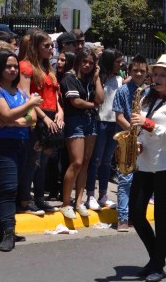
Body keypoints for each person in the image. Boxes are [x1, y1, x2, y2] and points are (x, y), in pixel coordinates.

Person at [128, 56, 166, 282]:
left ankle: (157, 263)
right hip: (145, 164)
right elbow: (145, 131)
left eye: (163, 75)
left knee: (161, 217)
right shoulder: (146, 98)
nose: (157, 78)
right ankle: (156, 259)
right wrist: (138, 140)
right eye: (155, 74)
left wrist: (148, 125)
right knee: (135, 212)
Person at [0, 48, 44, 251]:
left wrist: (15, 122)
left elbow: (32, 119)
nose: (13, 70)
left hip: (19, 144)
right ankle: (9, 232)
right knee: (8, 187)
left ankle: (0, 230)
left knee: (7, 187)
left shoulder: (21, 92)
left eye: (15, 66)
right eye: (8, 66)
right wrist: (30, 105)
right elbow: (6, 114)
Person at [59, 47, 104, 220]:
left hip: (90, 122)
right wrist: (92, 105)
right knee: (76, 162)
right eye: (84, 62)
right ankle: (65, 203)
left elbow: (100, 98)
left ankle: (78, 201)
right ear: (78, 61)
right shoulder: (70, 78)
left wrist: (97, 76)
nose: (87, 65)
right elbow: (75, 101)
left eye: (91, 63)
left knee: (86, 162)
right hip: (75, 121)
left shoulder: (90, 79)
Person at [23, 31, 63, 214]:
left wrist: (60, 111)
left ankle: (39, 198)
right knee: (33, 161)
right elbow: (26, 96)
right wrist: (44, 117)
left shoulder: (49, 68)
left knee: (44, 161)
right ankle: (25, 199)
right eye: (46, 45)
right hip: (37, 116)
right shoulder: (26, 66)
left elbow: (54, 93)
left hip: (52, 115)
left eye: (51, 45)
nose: (50, 49)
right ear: (36, 47)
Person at [85, 48, 125, 211]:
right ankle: (90, 195)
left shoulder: (119, 79)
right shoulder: (98, 78)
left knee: (107, 161)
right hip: (99, 121)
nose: (120, 64)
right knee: (96, 160)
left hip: (113, 123)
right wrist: (97, 77)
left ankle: (103, 194)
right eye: (117, 61)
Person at [112, 56, 148, 232]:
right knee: (125, 180)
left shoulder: (151, 93)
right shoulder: (122, 91)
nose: (139, 73)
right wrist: (133, 135)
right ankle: (123, 218)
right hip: (130, 138)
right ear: (130, 72)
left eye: (142, 71)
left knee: (142, 181)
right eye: (135, 70)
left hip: (147, 141)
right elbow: (118, 116)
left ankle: (136, 216)